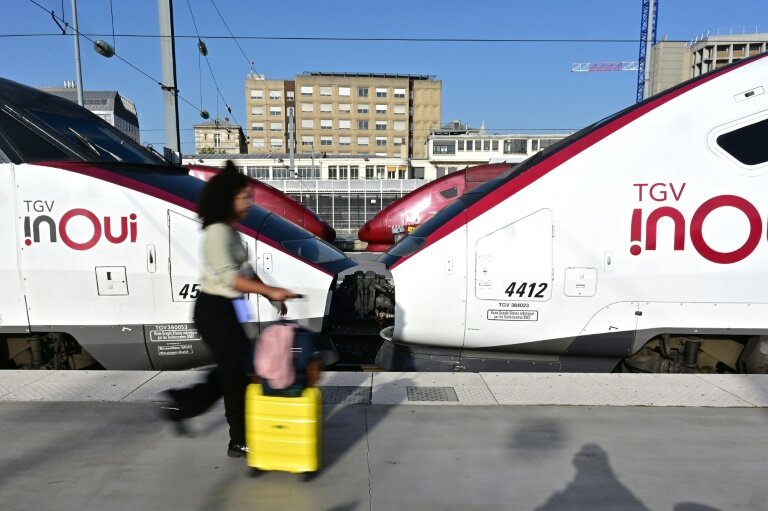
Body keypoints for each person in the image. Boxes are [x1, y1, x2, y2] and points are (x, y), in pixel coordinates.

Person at [161, 161, 298, 458]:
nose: (250, 202)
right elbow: (230, 278)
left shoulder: (231, 232)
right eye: (245, 197)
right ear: (228, 199)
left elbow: (245, 271)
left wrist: (271, 296)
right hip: (213, 311)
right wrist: (270, 291)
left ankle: (181, 404)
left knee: (233, 371)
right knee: (235, 374)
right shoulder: (216, 233)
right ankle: (238, 440)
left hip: (228, 309)